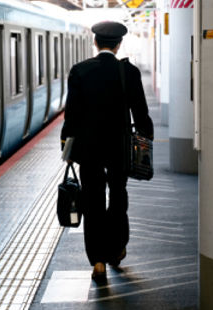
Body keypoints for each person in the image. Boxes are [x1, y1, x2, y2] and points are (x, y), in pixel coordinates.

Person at [61, 21, 153, 281]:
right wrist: (146, 136)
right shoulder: (129, 72)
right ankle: (117, 248)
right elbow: (140, 112)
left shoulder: (80, 71)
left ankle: (98, 262)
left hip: (88, 149)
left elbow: (72, 115)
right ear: (118, 45)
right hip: (119, 149)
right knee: (118, 196)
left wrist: (66, 145)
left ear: (95, 42)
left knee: (92, 202)